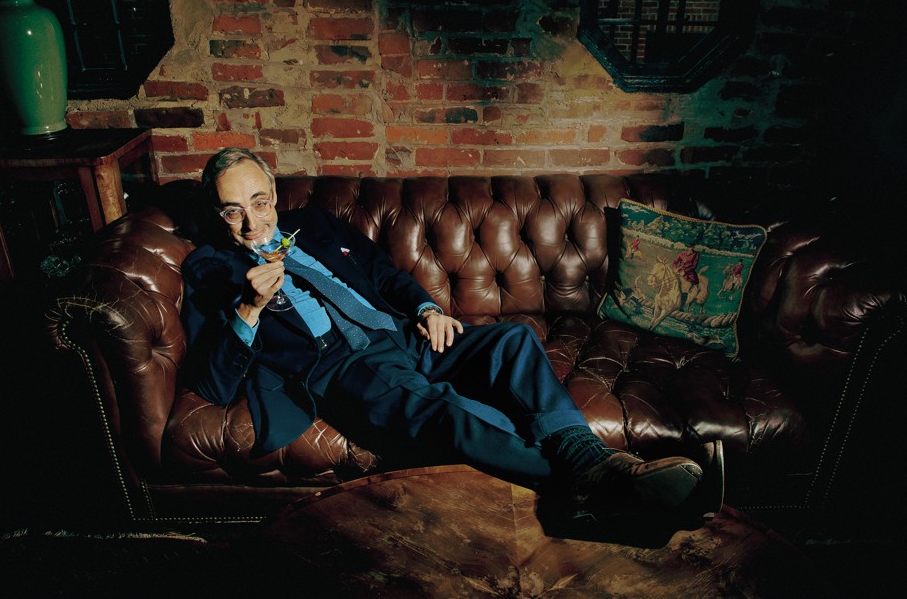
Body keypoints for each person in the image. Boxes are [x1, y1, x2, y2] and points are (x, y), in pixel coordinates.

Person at [180, 147, 722, 533]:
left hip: (400, 332)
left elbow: (384, 272)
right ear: (215, 213)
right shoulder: (210, 268)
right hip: (342, 367)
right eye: (233, 210)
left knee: (511, 342)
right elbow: (214, 379)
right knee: (445, 409)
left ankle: (591, 481)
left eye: (259, 202)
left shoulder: (315, 224)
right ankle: (613, 483)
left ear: (274, 196)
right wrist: (249, 308)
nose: (252, 223)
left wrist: (424, 307)